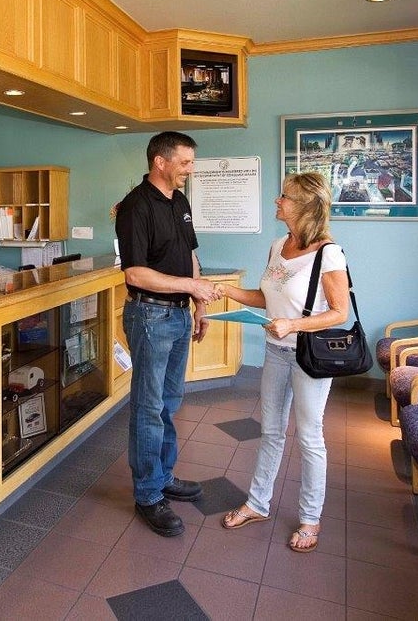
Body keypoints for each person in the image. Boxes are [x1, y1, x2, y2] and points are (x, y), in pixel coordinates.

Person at [217, 172, 349, 553]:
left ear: (305, 206)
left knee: (309, 437)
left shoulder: (329, 253)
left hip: (308, 356)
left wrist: (293, 324)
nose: (277, 201)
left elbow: (339, 312)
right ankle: (258, 504)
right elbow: (267, 297)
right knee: (271, 432)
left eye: (285, 196)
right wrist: (227, 291)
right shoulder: (277, 246)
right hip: (275, 352)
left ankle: (310, 518)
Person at [115, 131, 222, 537]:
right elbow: (135, 273)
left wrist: (199, 304)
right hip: (150, 316)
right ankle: (147, 494)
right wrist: (191, 287)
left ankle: (162, 476)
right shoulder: (134, 207)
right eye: (185, 162)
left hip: (178, 315)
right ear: (160, 162)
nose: (190, 170)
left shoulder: (179, 201)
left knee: (169, 402)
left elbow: (189, 254)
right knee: (148, 406)